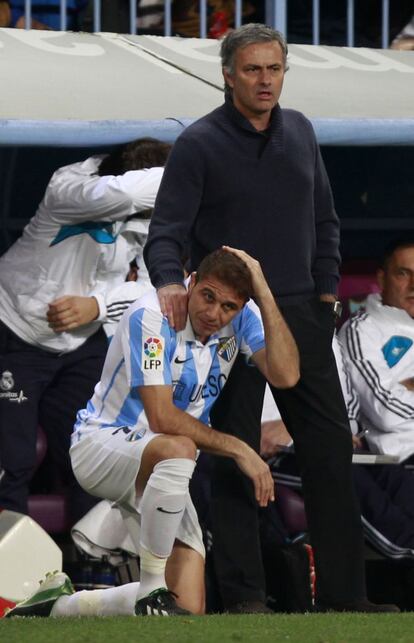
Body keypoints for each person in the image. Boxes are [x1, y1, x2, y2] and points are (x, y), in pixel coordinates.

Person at [143, 23, 399, 613]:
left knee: (330, 451)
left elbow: (327, 219)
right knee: (234, 453)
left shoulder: (302, 131)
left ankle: (345, 598)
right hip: (230, 323)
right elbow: (167, 233)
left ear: (286, 71)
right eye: (253, 70)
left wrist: (327, 293)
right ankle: (245, 598)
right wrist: (166, 283)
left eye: (275, 69)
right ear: (227, 74)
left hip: (300, 316)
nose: (266, 80)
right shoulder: (201, 143)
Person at [7, 247, 299, 617]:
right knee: (180, 447)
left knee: (186, 607)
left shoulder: (242, 318)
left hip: (163, 468)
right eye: (208, 296)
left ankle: (57, 607)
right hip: (102, 444)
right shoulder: (153, 315)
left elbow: (286, 374)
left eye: (228, 306)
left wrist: (265, 292)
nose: (214, 313)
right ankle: (150, 588)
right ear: (191, 282)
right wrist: (241, 449)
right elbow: (162, 417)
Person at [0, 137, 170, 523]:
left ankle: (94, 570)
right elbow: (120, 195)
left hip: (82, 344)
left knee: (93, 457)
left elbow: (154, 286)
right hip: (14, 330)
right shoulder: (70, 186)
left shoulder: (151, 210)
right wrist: (189, 172)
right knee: (13, 461)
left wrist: (98, 305)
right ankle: (7, 578)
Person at [339, 237, 414, 463]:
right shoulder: (362, 329)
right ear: (382, 279)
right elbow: (388, 414)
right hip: (402, 460)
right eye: (403, 273)